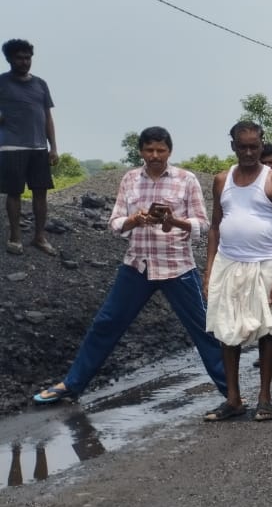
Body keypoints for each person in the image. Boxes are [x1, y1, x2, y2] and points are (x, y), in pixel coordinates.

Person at [32, 127, 228, 406]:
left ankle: (231, 393)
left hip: (178, 268)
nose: (155, 155)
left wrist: (174, 222)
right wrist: (134, 221)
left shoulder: (186, 180)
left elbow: (203, 224)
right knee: (106, 324)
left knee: (203, 329)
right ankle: (71, 385)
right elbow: (114, 224)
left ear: (169, 151)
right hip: (137, 267)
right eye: (149, 150)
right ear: (141, 152)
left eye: (160, 150)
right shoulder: (130, 180)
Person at [203, 121, 272, 422]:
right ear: (233, 147)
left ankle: (264, 399)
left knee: (268, 333)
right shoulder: (220, 180)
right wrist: (209, 272)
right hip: (228, 264)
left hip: (265, 265)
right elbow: (215, 227)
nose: (250, 152)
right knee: (227, 332)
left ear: (262, 144)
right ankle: (233, 399)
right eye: (243, 147)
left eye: (255, 146)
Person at [0, 39, 59, 256]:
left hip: (38, 147)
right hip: (11, 146)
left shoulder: (40, 84)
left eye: (28, 57)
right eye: (19, 57)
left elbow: (47, 117)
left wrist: (53, 147)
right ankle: (15, 237)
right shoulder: (2, 82)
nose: (25, 62)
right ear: (9, 59)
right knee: (14, 193)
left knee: (40, 193)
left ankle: (39, 237)